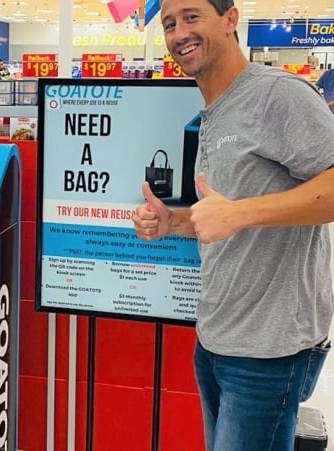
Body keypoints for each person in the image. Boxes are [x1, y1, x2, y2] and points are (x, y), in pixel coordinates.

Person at [133, 0, 334, 449]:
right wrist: (173, 222)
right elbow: (220, 217)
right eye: (169, 24)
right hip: (217, 338)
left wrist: (241, 212)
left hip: (269, 351)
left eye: (191, 16)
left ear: (230, 19)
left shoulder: (276, 95)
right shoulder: (213, 112)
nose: (179, 32)